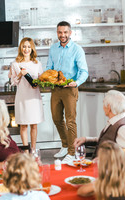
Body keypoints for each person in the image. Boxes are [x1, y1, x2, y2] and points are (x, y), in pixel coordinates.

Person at [46, 21, 88, 162]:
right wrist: (48, 78)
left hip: (70, 89)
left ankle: (72, 151)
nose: (62, 35)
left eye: (65, 32)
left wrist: (76, 82)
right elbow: (49, 68)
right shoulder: (53, 49)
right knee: (57, 119)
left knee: (70, 121)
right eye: (60, 32)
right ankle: (65, 145)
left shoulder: (77, 49)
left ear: (70, 33)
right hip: (55, 89)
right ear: (57, 33)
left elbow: (84, 71)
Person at [74, 90, 125, 159]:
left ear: (108, 107)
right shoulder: (116, 120)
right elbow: (108, 141)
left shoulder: (122, 128)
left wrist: (113, 160)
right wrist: (86, 140)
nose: (103, 107)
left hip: (104, 168)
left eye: (103, 103)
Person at [10, 37, 44, 150]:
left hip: (34, 97)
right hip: (22, 97)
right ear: (21, 48)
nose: (26, 49)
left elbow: (41, 80)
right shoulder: (15, 64)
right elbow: (13, 83)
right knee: (23, 125)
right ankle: (25, 151)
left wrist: (38, 82)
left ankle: (33, 149)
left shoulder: (37, 63)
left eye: (29, 46)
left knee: (34, 125)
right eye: (24, 46)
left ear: (32, 48)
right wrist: (20, 74)